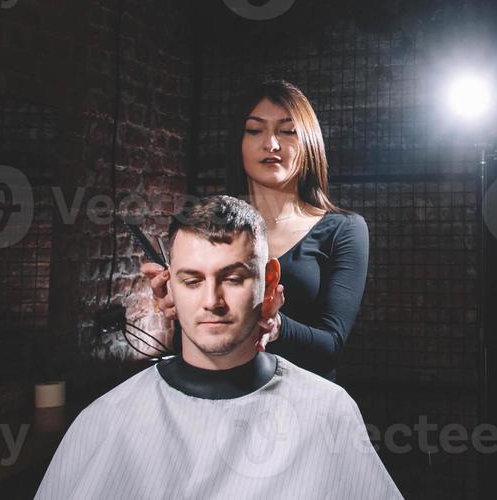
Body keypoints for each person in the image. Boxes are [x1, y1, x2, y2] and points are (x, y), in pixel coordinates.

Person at [36, 196, 401, 498]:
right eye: (192, 280)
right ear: (169, 287)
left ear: (269, 282)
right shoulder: (107, 420)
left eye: (234, 278)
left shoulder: (327, 411)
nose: (212, 301)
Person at [145, 80, 368, 381]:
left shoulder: (343, 229)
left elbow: (330, 346)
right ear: (238, 141)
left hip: (300, 403)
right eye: (254, 130)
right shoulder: (198, 224)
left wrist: (273, 324)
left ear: (309, 142)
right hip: (215, 394)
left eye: (287, 131)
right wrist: (179, 305)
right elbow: (187, 344)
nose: (271, 144)